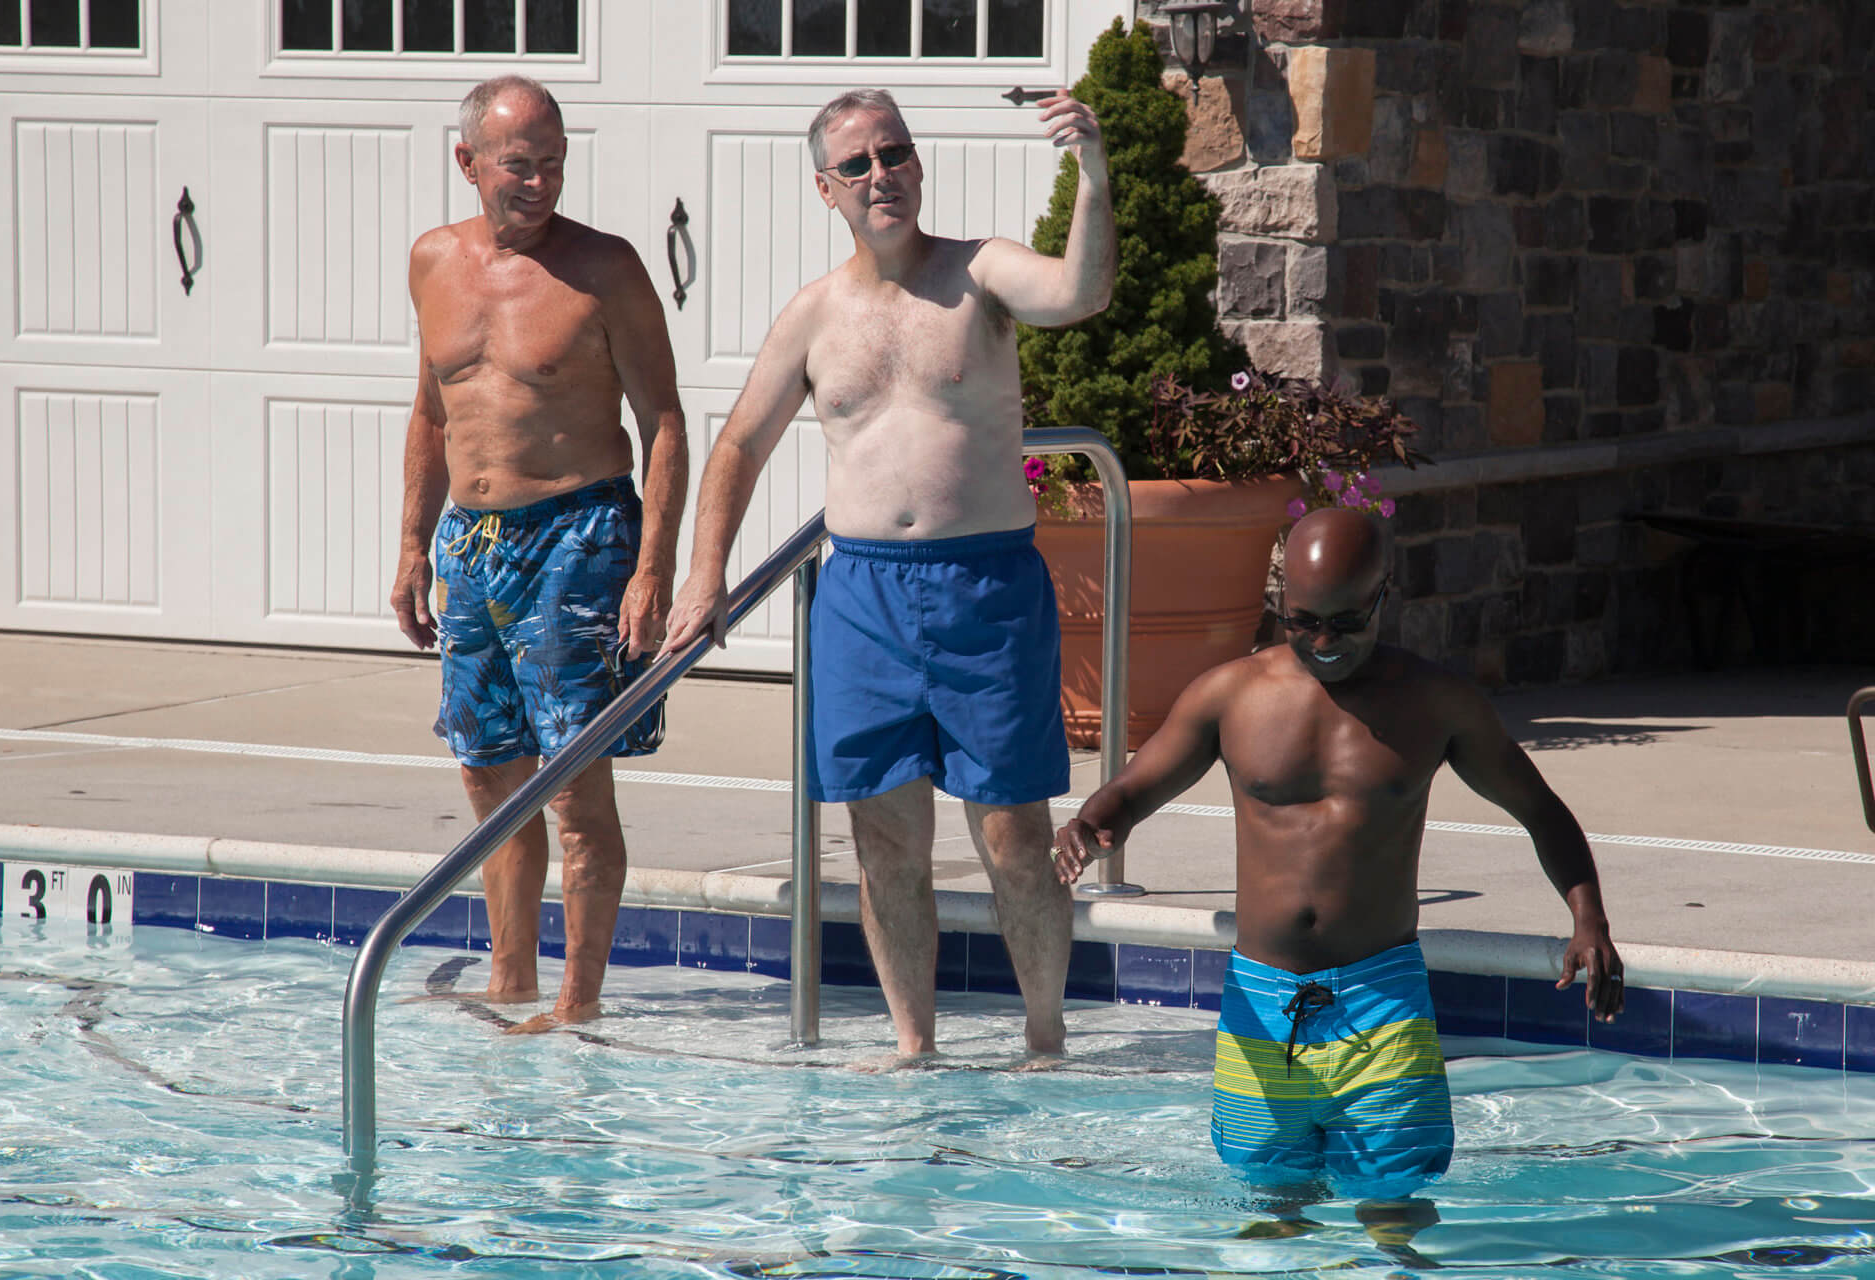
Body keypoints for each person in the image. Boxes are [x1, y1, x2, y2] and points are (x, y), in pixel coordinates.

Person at [663, 88, 1116, 1067]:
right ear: (825, 188)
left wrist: (1092, 177)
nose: (882, 175)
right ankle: (917, 1049)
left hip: (986, 591)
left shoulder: (979, 272)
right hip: (863, 598)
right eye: (858, 164)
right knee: (885, 844)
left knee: (1014, 839)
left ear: (916, 161)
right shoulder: (814, 315)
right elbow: (739, 443)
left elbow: (1079, 294)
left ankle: (1045, 1041)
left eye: (895, 153)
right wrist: (705, 575)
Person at [1052, 506, 1624, 1236]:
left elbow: (1540, 810)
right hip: (1261, 1004)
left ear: (1385, 595)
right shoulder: (1229, 696)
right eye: (1304, 621)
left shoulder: (1435, 703)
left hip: (1382, 1000)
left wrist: (1588, 920)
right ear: (1280, 602)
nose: (1324, 642)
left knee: (1395, 1213)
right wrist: (1089, 826)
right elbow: (1131, 793)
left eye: (1348, 623)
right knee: (1270, 1213)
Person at [390, 76, 688, 1033]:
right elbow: (433, 411)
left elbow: (665, 421)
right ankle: (510, 977)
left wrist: (654, 568)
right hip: (470, 543)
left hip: (578, 536)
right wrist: (411, 545)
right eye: (519, 164)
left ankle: (577, 1000)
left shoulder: (605, 269)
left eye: (553, 162)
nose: (540, 181)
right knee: (488, 770)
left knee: (573, 783)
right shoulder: (433, 261)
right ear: (468, 161)